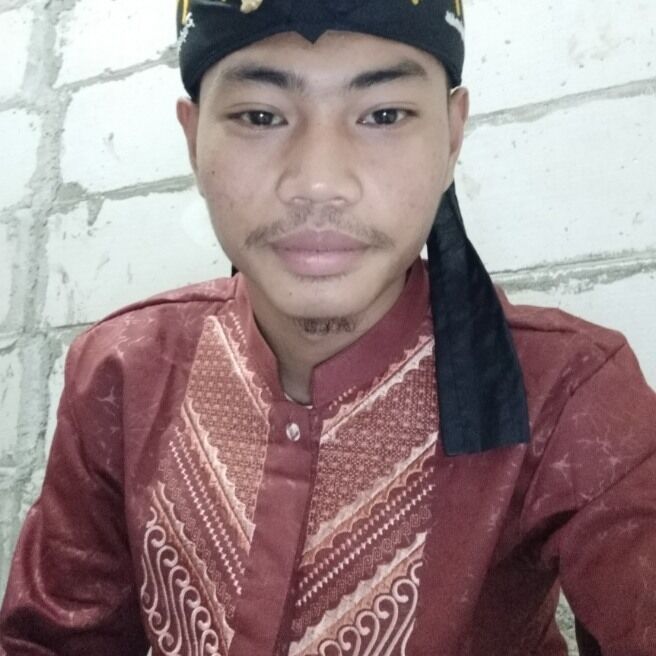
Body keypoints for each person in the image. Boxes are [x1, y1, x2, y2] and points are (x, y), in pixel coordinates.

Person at [1, 0, 654, 654]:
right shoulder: (123, 370)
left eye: (384, 115)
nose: (318, 182)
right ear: (193, 139)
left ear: (452, 136)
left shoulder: (567, 392)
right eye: (260, 116)